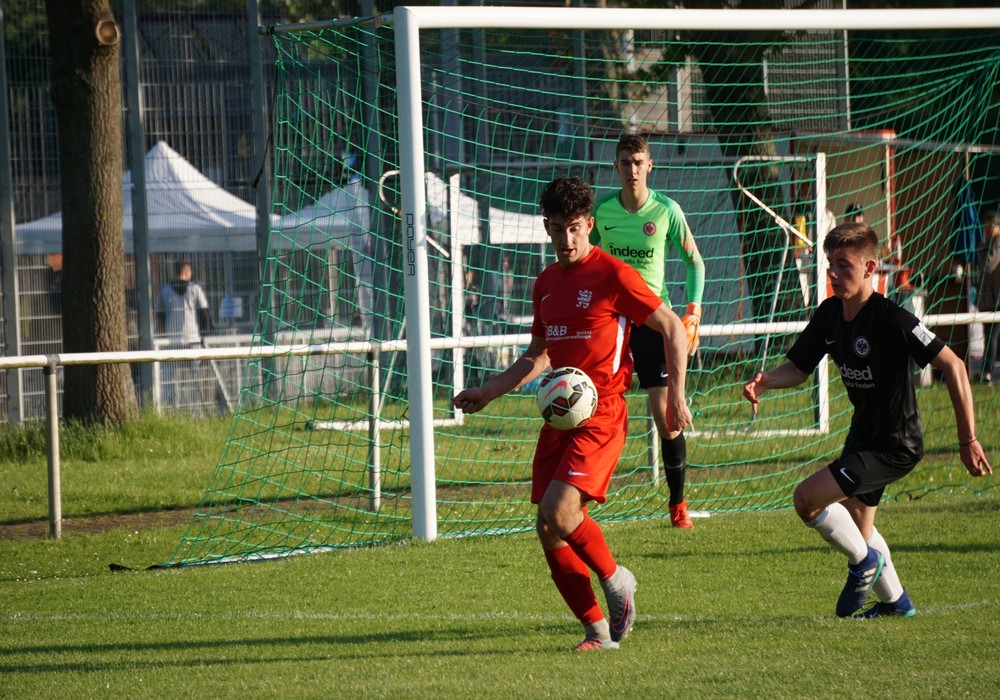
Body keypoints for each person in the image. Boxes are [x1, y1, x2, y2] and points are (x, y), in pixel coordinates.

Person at [453, 176, 692, 651]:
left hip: (602, 413)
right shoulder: (545, 284)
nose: (567, 239)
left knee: (559, 511)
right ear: (547, 227)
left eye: (576, 229)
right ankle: (598, 633)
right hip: (560, 416)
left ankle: (617, 578)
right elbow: (537, 355)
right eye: (559, 229)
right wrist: (490, 391)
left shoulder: (615, 275)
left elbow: (672, 329)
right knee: (547, 526)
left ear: (590, 225)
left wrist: (677, 395)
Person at [742, 222, 992, 619]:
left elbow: (955, 365)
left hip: (894, 444)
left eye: (844, 265)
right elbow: (800, 367)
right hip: (864, 436)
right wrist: (767, 380)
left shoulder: (892, 318)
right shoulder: (829, 315)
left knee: (806, 499)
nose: (833, 274)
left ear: (870, 267)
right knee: (859, 524)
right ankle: (898, 603)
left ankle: (863, 565)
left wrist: (968, 440)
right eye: (830, 265)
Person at [591, 133, 705, 528]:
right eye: (625, 162)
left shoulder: (667, 211)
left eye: (638, 162)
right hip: (609, 321)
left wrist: (692, 312)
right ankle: (581, 496)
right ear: (616, 167)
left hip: (653, 320)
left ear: (649, 165)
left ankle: (677, 505)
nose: (632, 169)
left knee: (666, 417)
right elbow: (583, 257)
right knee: (591, 405)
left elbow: (695, 264)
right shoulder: (601, 212)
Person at [156, 260, 213, 408]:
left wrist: (161, 337)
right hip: (193, 340)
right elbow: (205, 315)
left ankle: (176, 411)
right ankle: (196, 411)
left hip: (172, 343)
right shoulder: (195, 289)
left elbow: (159, 318)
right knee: (195, 380)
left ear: (175, 272)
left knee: (173, 382)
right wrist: (206, 336)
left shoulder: (164, 291)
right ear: (187, 272)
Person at [977, 210, 1000, 384]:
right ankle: (987, 370)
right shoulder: (988, 243)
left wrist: (983, 247)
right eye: (985, 225)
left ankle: (988, 372)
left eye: (991, 225)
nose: (987, 228)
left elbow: (988, 265)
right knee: (988, 335)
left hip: (996, 301)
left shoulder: (997, 243)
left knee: (992, 334)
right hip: (987, 299)